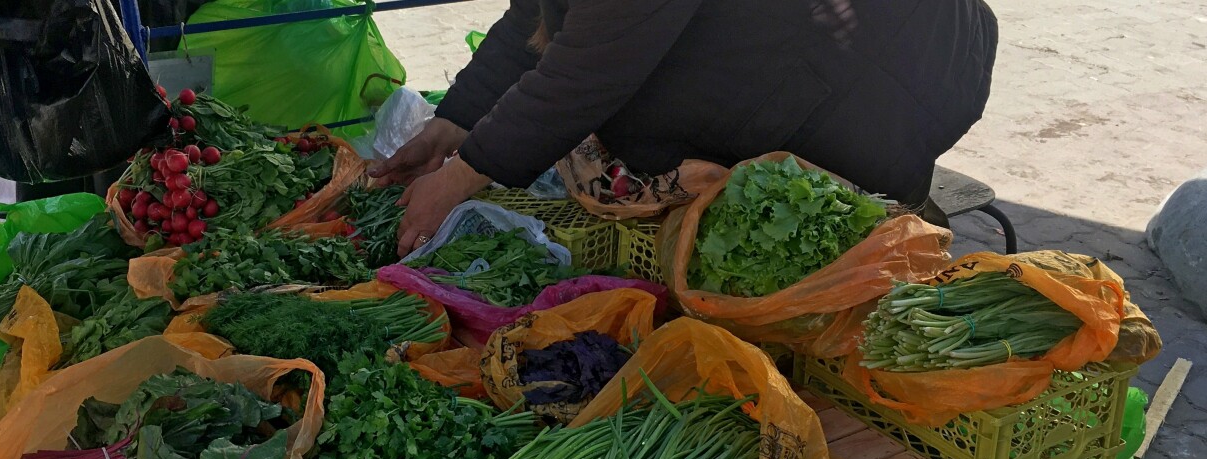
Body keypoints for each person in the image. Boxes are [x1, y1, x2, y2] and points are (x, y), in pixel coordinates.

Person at [376, 0, 999, 256]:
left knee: (643, 115)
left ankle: (875, 211)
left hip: (909, 72)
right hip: (820, 51)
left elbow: (590, 67)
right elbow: (535, 21)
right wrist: (452, 123)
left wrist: (457, 179)